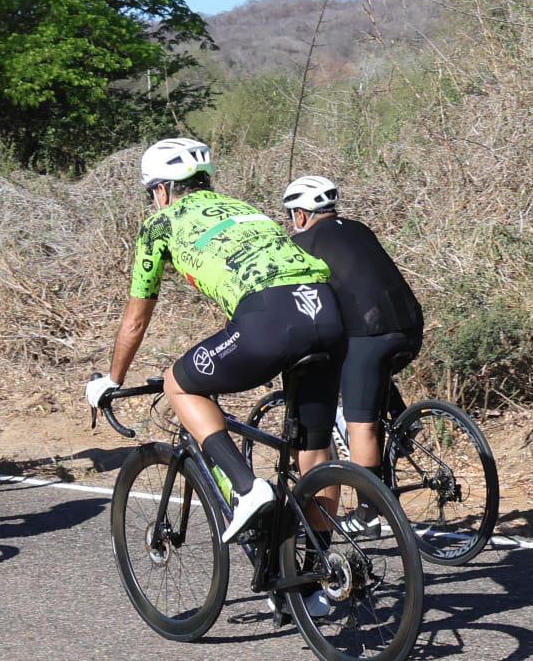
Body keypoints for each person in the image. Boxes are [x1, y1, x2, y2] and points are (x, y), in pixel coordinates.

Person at [84, 139, 343, 543]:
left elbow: (137, 319)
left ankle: (246, 488)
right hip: (325, 310)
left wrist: (112, 379)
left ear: (161, 189)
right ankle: (323, 579)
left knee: (179, 382)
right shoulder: (244, 209)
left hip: (268, 317)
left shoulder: (160, 224)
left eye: (152, 193)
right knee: (313, 450)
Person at [283, 174, 425, 527]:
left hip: (370, 336)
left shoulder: (302, 244)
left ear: (300, 215)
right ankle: (402, 421)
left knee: (360, 426)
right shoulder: (360, 229)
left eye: (290, 215)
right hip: (410, 329)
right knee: (371, 376)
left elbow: (304, 303)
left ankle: (368, 514)